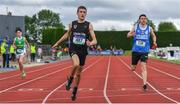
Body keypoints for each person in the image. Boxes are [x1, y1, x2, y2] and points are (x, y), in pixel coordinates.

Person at [52, 6, 97, 101]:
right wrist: (57, 42)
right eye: (80, 12)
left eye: (84, 12)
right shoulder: (72, 24)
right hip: (73, 49)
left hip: (83, 51)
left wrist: (91, 43)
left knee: (79, 74)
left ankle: (74, 92)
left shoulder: (89, 25)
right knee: (76, 64)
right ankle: (70, 80)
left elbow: (95, 40)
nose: (82, 14)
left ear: (86, 14)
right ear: (77, 13)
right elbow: (66, 35)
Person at [127, 14, 157, 90]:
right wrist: (132, 34)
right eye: (141, 18)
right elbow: (128, 35)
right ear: (139, 20)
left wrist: (154, 42)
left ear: (146, 20)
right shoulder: (136, 27)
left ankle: (144, 84)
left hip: (145, 51)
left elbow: (153, 35)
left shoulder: (149, 28)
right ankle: (133, 66)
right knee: (133, 68)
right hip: (136, 50)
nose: (143, 20)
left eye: (144, 18)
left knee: (143, 67)